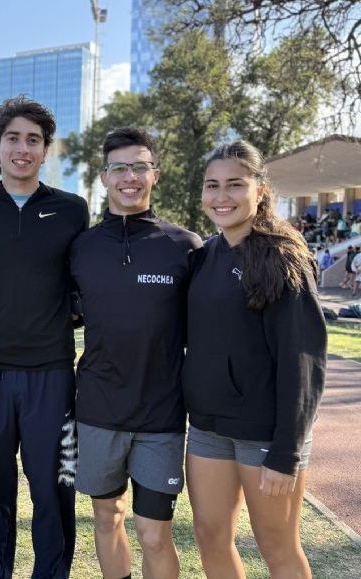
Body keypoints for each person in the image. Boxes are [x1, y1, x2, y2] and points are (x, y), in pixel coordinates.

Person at [0, 96, 89, 578]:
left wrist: (58, 317)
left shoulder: (73, 210)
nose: (22, 148)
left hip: (51, 377)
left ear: (45, 150)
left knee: (54, 491)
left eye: (33, 140)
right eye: (12, 137)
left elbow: (80, 281)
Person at [183, 140, 326, 578]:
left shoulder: (283, 257)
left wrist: (286, 451)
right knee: (209, 536)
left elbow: (304, 362)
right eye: (212, 185)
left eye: (234, 185)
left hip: (265, 435)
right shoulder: (204, 255)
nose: (221, 196)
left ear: (259, 190)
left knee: (277, 547)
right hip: (207, 428)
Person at [71, 128, 202, 579]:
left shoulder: (185, 246)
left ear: (155, 175)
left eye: (140, 166)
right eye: (120, 168)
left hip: (161, 416)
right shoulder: (81, 247)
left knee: (153, 532)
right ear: (105, 177)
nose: (130, 177)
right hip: (97, 409)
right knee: (107, 519)